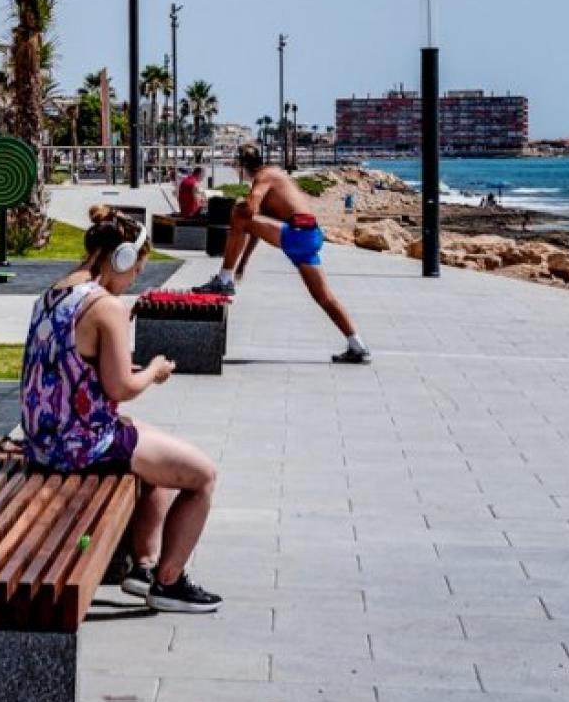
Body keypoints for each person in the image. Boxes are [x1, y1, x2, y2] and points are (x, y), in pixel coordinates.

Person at [20, 205, 223, 613]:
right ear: (121, 258)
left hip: (44, 440)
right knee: (202, 476)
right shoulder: (105, 307)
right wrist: (153, 371)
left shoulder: (53, 293)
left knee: (157, 452)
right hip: (79, 447)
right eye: (135, 270)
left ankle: (143, 567)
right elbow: (122, 387)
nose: (135, 279)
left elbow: (68, 365)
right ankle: (169, 582)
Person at [196, 143, 372, 364]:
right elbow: (255, 228)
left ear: (242, 165)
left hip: (297, 232)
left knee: (238, 211)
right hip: (309, 235)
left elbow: (248, 212)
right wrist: (242, 264)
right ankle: (357, 345)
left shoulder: (264, 175)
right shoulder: (273, 175)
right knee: (324, 298)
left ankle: (224, 279)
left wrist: (249, 199)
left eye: (235, 165)